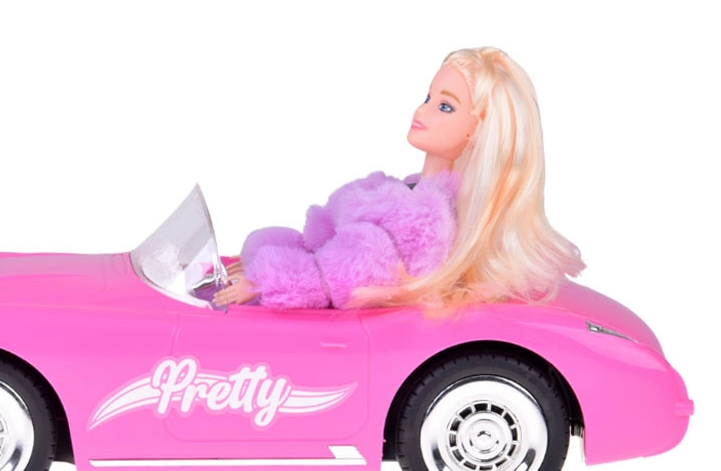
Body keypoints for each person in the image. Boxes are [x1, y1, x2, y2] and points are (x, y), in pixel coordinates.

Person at [213, 47, 583, 309]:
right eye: (428, 97)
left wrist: (265, 281)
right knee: (262, 244)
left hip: (317, 295)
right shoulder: (413, 189)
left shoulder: (424, 218)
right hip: (310, 268)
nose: (422, 110)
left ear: (476, 131)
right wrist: (260, 261)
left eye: (445, 106)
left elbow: (343, 274)